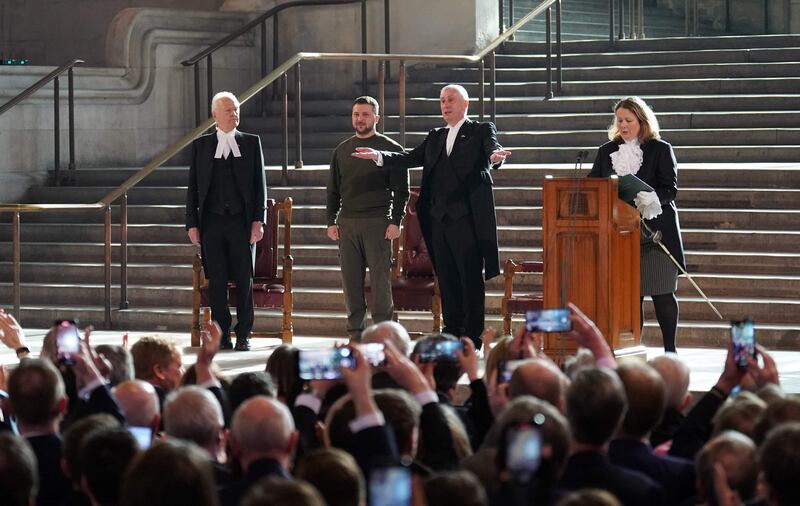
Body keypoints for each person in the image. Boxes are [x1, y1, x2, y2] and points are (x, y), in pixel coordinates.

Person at [352, 84, 511, 350]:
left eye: (451, 100)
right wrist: (380, 156)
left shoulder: (480, 130)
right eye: (441, 101)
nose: (445, 104)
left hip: (467, 220)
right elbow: (410, 157)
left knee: (469, 278)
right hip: (437, 220)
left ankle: (472, 336)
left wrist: (495, 158)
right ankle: (451, 331)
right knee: (446, 278)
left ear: (465, 105)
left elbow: (492, 148)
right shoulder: (435, 136)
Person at [588, 96, 685, 353]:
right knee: (631, 298)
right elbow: (593, 186)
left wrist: (650, 197)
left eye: (629, 120)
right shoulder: (607, 151)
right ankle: (632, 349)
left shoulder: (661, 148)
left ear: (642, 121)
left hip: (655, 233)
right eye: (619, 120)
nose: (623, 125)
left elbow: (670, 189)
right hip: (620, 234)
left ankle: (670, 351)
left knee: (663, 293)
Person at [185, 91, 268, 351]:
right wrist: (192, 223)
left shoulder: (252, 143)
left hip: (241, 222)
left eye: (236, 110)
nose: (235, 114)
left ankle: (244, 333)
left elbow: (259, 186)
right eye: (229, 110)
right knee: (217, 280)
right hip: (211, 222)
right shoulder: (201, 146)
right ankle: (222, 334)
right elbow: (193, 188)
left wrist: (258, 220)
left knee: (244, 279)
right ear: (215, 115)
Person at [327, 96, 409, 339]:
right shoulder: (341, 150)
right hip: (347, 224)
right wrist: (331, 221)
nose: (359, 119)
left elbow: (402, 190)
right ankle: (355, 335)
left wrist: (396, 221)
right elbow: (333, 189)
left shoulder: (391, 148)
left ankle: (383, 336)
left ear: (376, 118)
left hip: (378, 222)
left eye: (365, 114)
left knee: (380, 284)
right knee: (351, 284)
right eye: (356, 114)